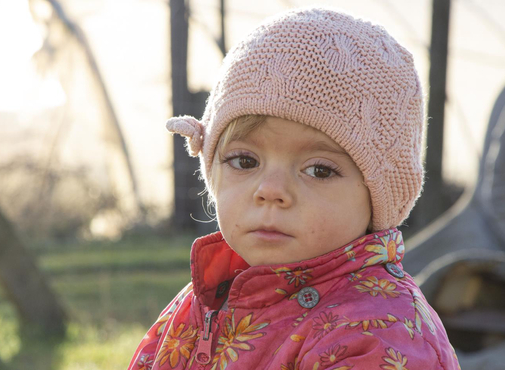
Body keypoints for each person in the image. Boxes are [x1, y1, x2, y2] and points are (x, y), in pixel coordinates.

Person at [128, 8, 461, 370]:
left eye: (319, 170)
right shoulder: (205, 299)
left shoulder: (378, 336)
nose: (271, 190)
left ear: (380, 194)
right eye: (244, 161)